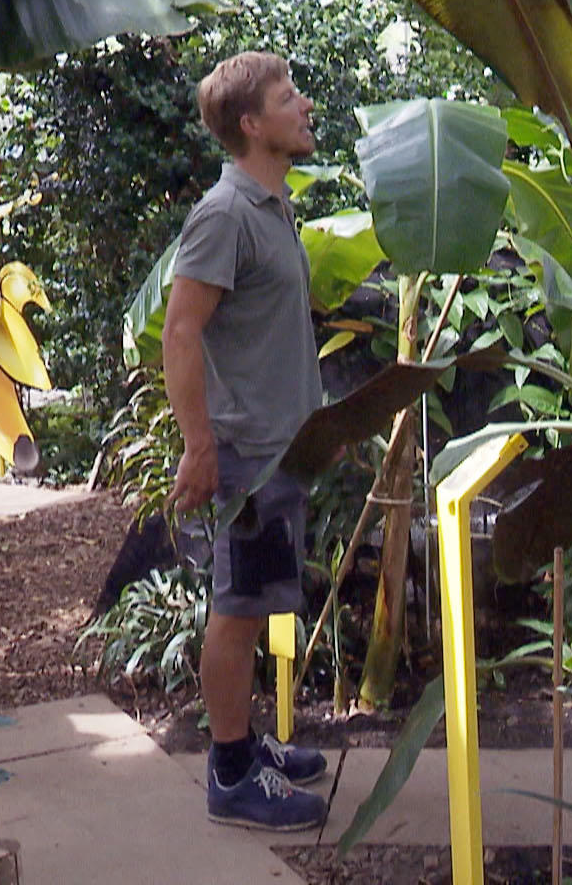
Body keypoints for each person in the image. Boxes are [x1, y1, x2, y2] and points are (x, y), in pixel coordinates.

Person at [163, 51, 329, 831]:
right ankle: (231, 773)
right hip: (246, 453)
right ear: (252, 125)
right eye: (286, 97)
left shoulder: (270, 204)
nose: (302, 106)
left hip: (280, 447)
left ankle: (245, 743)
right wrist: (199, 448)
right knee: (235, 611)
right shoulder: (225, 214)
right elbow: (181, 331)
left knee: (258, 606)